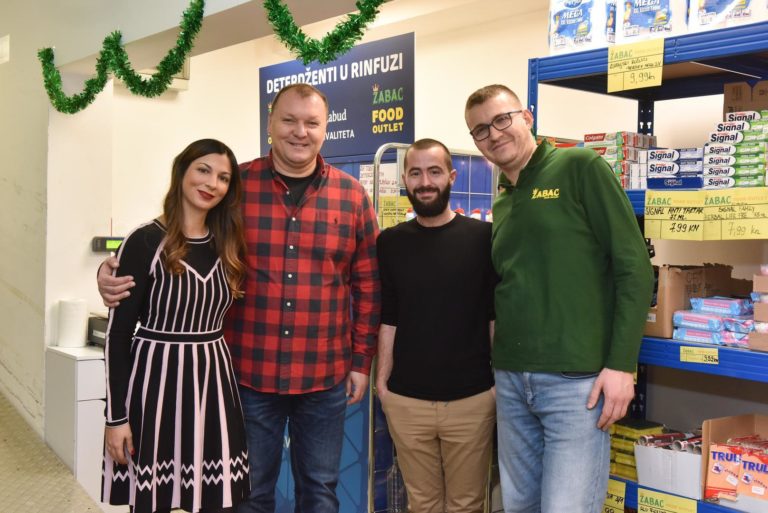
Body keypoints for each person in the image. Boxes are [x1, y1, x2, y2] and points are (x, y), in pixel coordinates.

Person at [98, 83, 381, 513]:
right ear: (270, 123)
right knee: (248, 496)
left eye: (311, 123)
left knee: (321, 491)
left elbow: (368, 284)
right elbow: (177, 234)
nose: (300, 132)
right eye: (289, 120)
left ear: (325, 129)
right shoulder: (235, 186)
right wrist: (112, 270)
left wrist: (361, 362)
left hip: (324, 376)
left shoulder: (352, 194)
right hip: (246, 376)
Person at [464, 84, 654, 513]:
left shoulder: (579, 167)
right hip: (512, 379)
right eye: (480, 130)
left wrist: (622, 364)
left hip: (576, 382)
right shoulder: (504, 198)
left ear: (527, 117)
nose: (493, 134)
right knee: (520, 506)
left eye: (501, 119)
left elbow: (634, 268)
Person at [101, 138, 250, 513]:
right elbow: (117, 336)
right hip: (155, 387)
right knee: (153, 500)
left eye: (223, 178)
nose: (212, 183)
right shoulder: (145, 241)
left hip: (213, 388)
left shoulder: (228, 243)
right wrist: (115, 418)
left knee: (218, 501)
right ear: (182, 171)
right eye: (203, 170)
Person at [375, 138, 497, 513]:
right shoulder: (390, 242)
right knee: (422, 504)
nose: (425, 182)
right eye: (415, 173)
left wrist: (497, 385)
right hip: (406, 401)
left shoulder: (483, 239)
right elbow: (389, 316)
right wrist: (383, 383)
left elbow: (493, 316)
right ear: (405, 179)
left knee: (466, 504)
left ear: (451, 176)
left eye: (434, 172)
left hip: (472, 400)